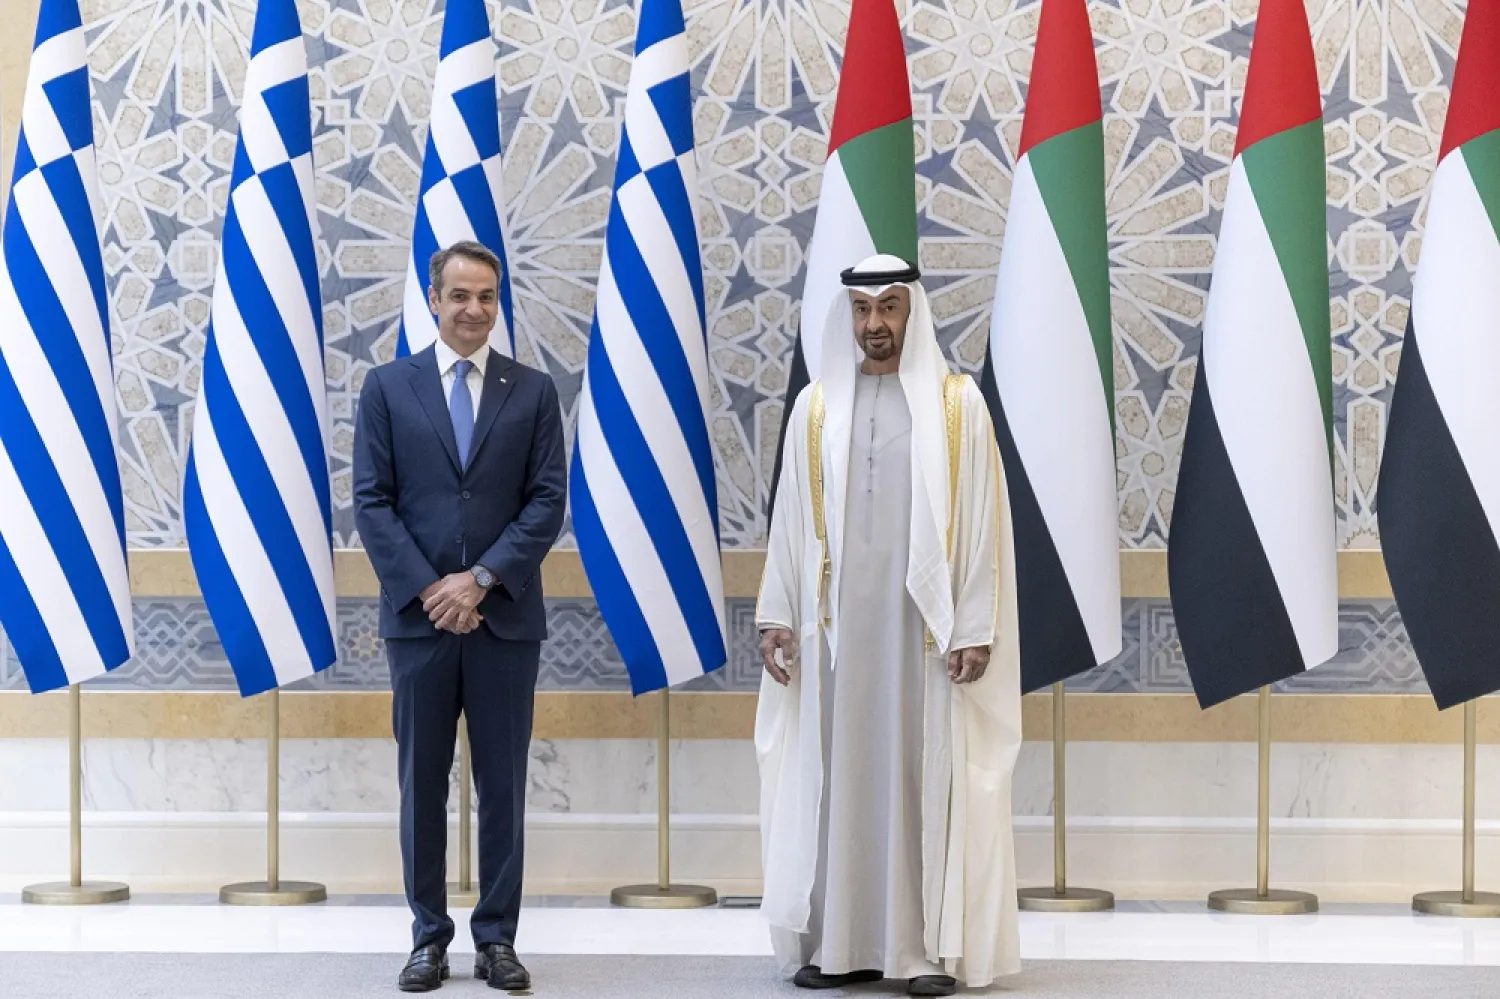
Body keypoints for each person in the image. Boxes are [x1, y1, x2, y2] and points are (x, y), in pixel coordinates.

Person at [756, 254, 1023, 996]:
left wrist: (974, 623)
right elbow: (790, 525)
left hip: (922, 636)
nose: (876, 325)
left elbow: (983, 528)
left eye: (890, 309)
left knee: (919, 775)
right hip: (836, 633)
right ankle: (835, 942)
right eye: (864, 311)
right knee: (834, 776)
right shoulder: (815, 408)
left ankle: (920, 950)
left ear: (914, 312)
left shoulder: (956, 405)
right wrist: (778, 613)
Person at [353, 241, 566, 993]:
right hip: (419, 624)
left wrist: (477, 581)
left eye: (488, 296)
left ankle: (498, 939)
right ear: (434, 298)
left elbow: (547, 502)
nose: (475, 309)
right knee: (423, 782)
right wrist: (433, 591)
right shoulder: (388, 387)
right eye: (461, 295)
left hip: (504, 618)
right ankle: (428, 937)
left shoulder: (533, 391)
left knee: (503, 784)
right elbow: (371, 502)